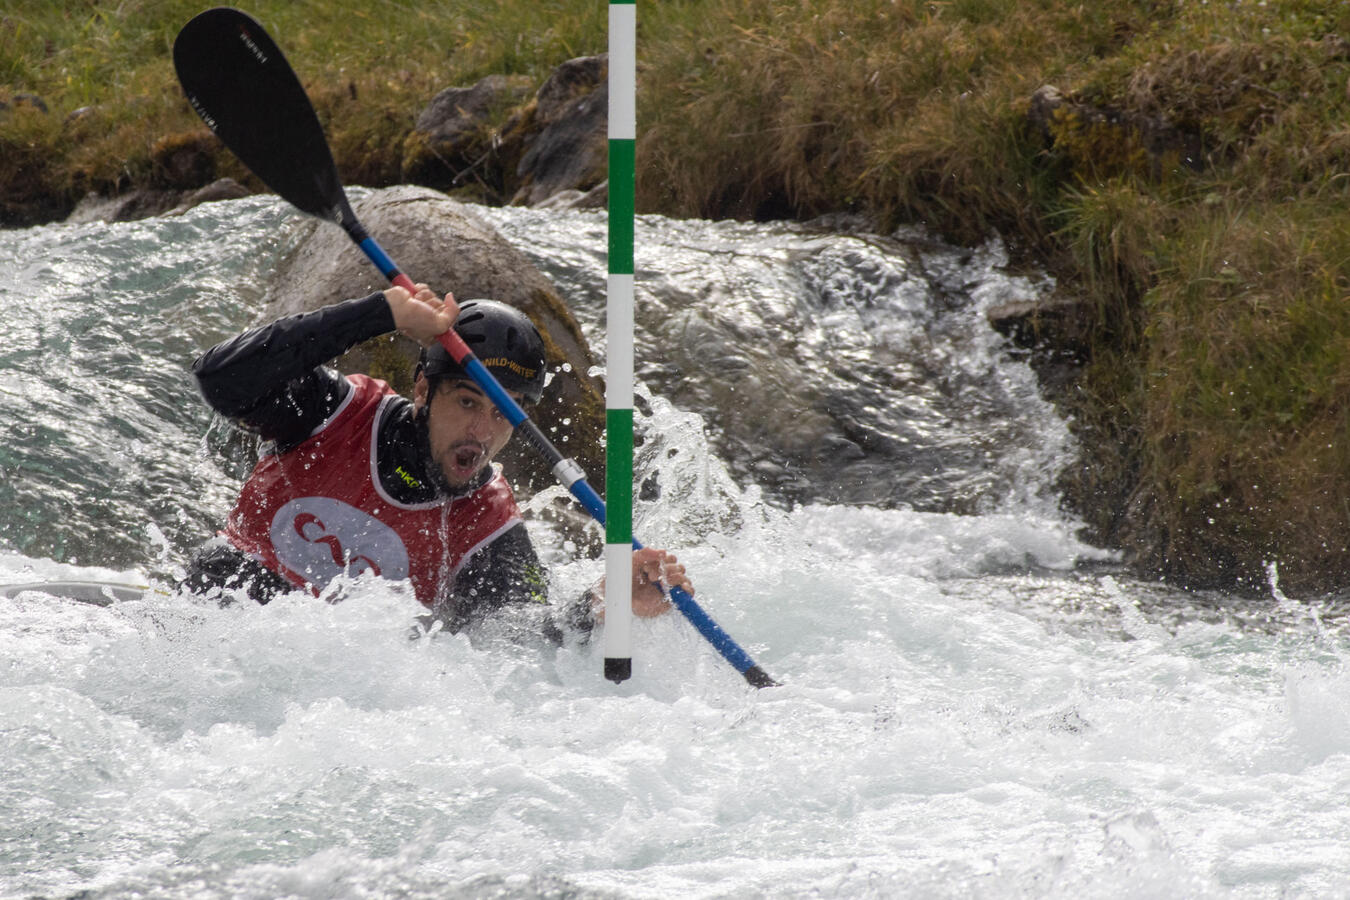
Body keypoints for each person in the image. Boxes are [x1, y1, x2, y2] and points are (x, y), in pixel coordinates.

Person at [182, 283, 689, 636]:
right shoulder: (332, 411)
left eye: (502, 414)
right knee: (222, 563)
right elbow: (221, 377)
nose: (482, 432)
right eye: (467, 402)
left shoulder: (488, 525)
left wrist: (603, 604)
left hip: (330, 693)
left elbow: (525, 643)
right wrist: (383, 314)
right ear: (423, 388)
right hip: (223, 629)